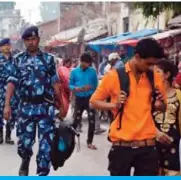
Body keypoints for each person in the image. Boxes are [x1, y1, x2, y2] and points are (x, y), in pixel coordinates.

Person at [90, 38, 172, 176]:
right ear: (138, 57)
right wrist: (114, 105)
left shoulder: (155, 78)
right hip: (122, 146)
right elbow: (94, 101)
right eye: (149, 64)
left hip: (147, 147)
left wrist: (158, 103)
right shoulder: (114, 76)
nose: (152, 68)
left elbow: (163, 107)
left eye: (154, 64)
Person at [3, 26, 65, 176]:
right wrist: (7, 106)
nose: (31, 42)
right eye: (27, 40)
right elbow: (11, 82)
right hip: (25, 106)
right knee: (24, 143)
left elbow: (55, 83)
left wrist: (62, 105)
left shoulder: (49, 60)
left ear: (38, 39)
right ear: (24, 42)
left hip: (45, 107)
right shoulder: (18, 60)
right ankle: (25, 159)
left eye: (33, 39)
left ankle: (42, 173)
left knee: (46, 147)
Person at [154, 60, 181, 176]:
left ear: (167, 75)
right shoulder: (150, 95)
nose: (153, 75)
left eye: (157, 72)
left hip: (174, 146)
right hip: (153, 145)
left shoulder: (179, 95)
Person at [69, 53, 98, 150]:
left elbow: (96, 86)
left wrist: (91, 88)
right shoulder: (74, 72)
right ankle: (70, 140)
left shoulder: (93, 72)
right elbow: (70, 84)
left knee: (92, 120)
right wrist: (76, 89)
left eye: (89, 63)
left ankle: (89, 142)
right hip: (79, 98)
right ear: (81, 61)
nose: (87, 65)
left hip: (90, 98)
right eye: (86, 63)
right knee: (76, 120)